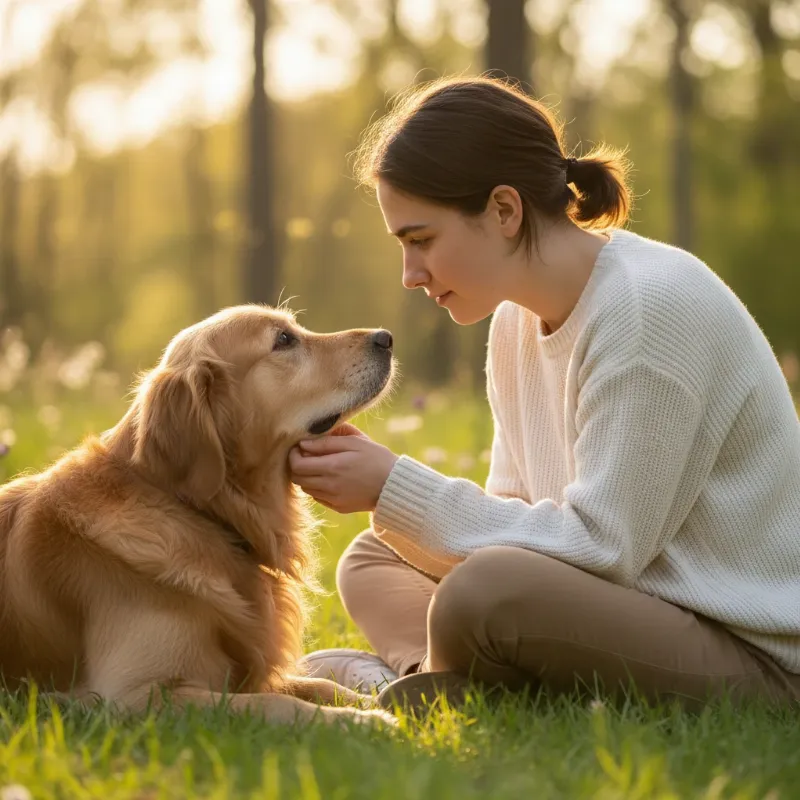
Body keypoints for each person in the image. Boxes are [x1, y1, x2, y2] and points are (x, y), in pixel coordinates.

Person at [289, 76, 800, 709]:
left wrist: (395, 485)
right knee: (375, 555)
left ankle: (416, 688)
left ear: (504, 210)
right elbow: (514, 511)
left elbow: (604, 548)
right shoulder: (514, 323)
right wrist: (391, 505)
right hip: (622, 606)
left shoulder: (647, 311)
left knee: (481, 592)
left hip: (749, 653)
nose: (411, 274)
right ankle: (431, 675)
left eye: (421, 240)